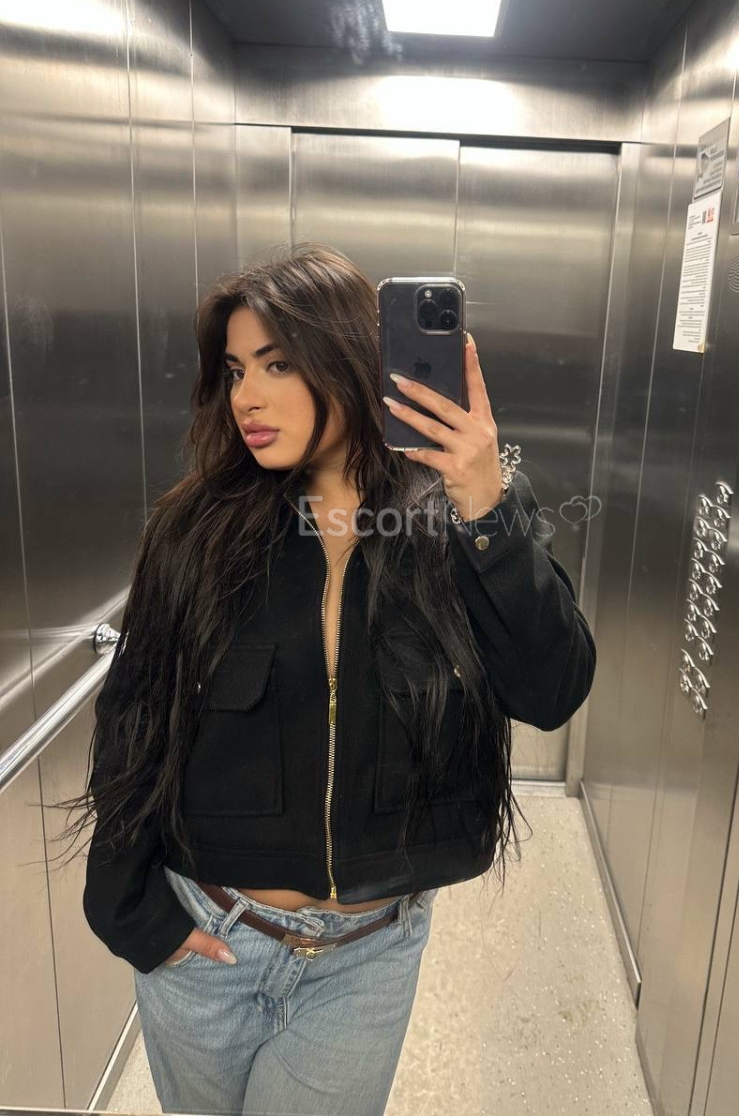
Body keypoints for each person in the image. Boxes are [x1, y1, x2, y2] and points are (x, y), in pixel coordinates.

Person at [62, 243, 596, 1116]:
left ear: (349, 360)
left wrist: (485, 506)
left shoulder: (463, 515)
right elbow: (135, 720)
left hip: (366, 957)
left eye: (277, 364)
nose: (247, 396)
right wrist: (132, 916)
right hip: (210, 942)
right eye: (235, 370)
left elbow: (552, 691)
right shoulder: (195, 530)